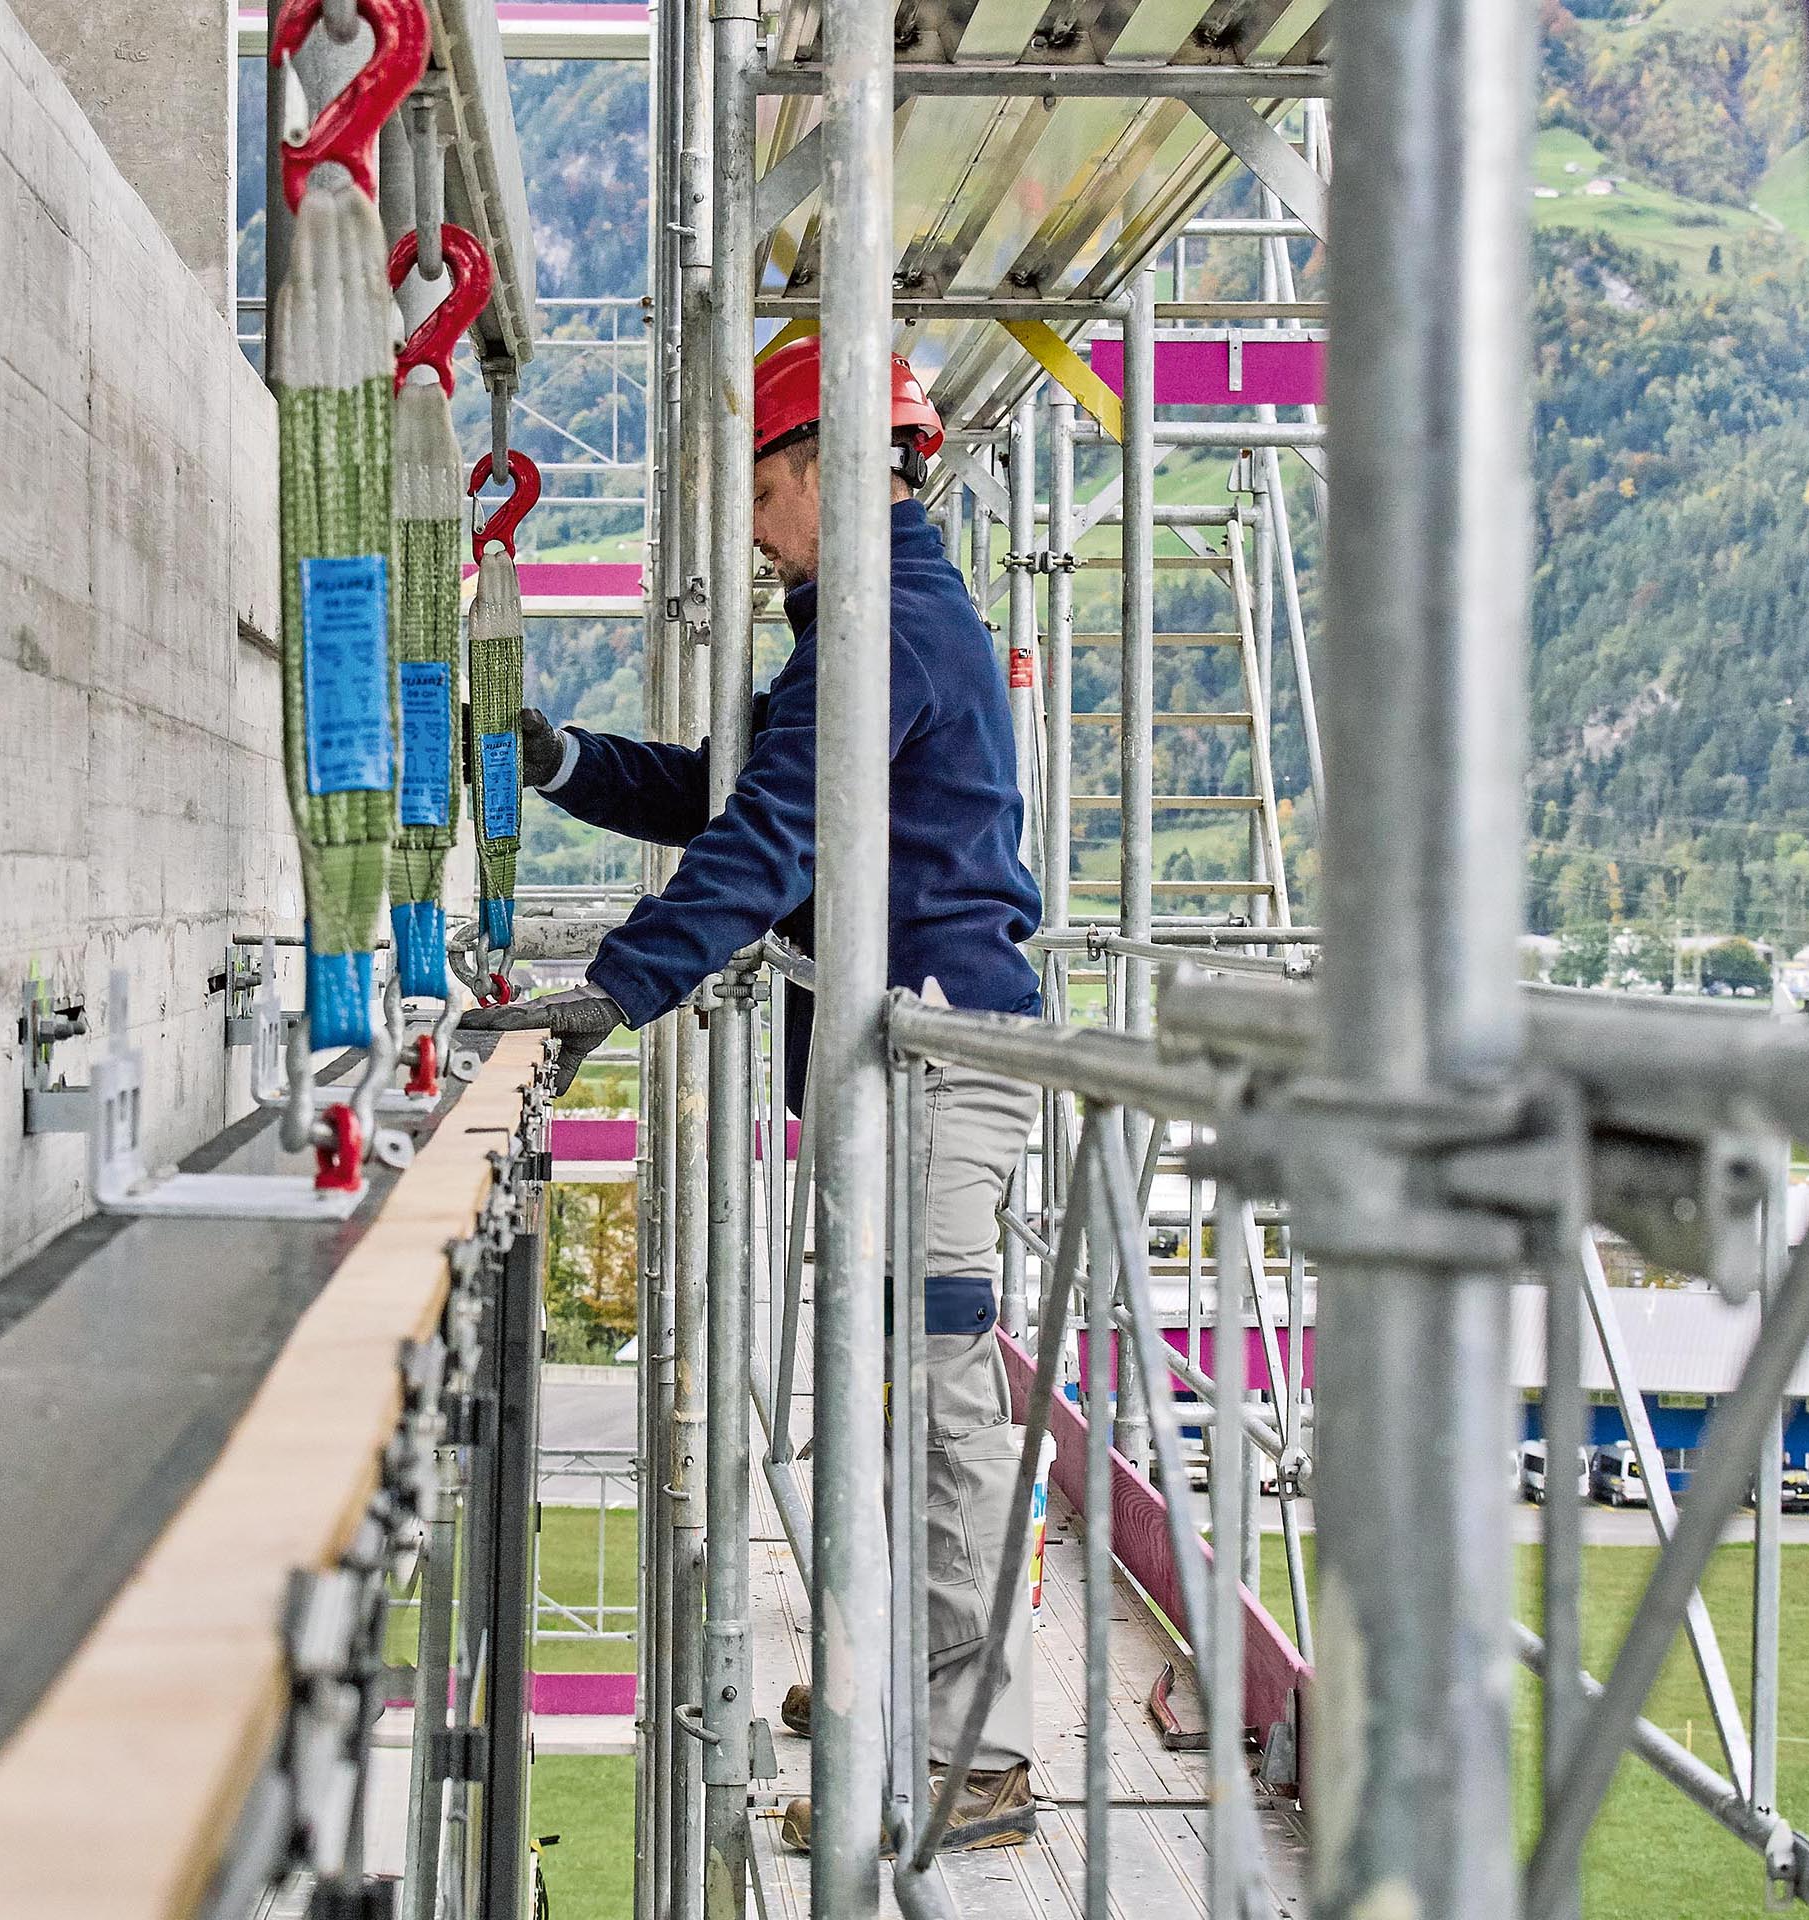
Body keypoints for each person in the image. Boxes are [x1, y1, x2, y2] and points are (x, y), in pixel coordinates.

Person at [459, 338, 1045, 1852]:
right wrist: (567, 760)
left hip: (936, 1055)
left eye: (768, 487)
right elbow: (734, 786)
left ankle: (967, 1751)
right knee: (885, 1385)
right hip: (901, 1054)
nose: (757, 522)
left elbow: (770, 837)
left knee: (936, 1395)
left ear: (832, 471)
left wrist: (619, 990)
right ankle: (900, 1679)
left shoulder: (885, 631)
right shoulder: (868, 623)